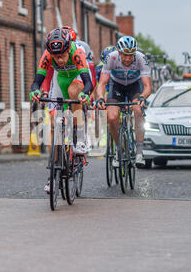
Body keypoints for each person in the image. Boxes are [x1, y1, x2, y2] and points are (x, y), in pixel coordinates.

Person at [30, 28, 93, 192]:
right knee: (53, 125)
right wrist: (35, 91)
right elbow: (37, 81)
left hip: (77, 78)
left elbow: (88, 83)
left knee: (74, 93)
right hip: (60, 80)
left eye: (63, 55)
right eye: (55, 56)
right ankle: (52, 176)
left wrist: (85, 94)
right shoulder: (47, 55)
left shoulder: (77, 52)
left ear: (68, 48)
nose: (59, 59)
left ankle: (79, 139)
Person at [95, 36, 153, 168]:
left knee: (138, 109)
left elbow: (148, 86)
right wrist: (99, 96)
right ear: (119, 52)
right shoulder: (111, 58)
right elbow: (102, 83)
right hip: (117, 86)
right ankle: (119, 150)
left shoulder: (141, 58)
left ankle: (139, 152)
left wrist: (143, 97)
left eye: (131, 55)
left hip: (134, 86)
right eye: (125, 55)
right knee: (112, 117)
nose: (128, 58)